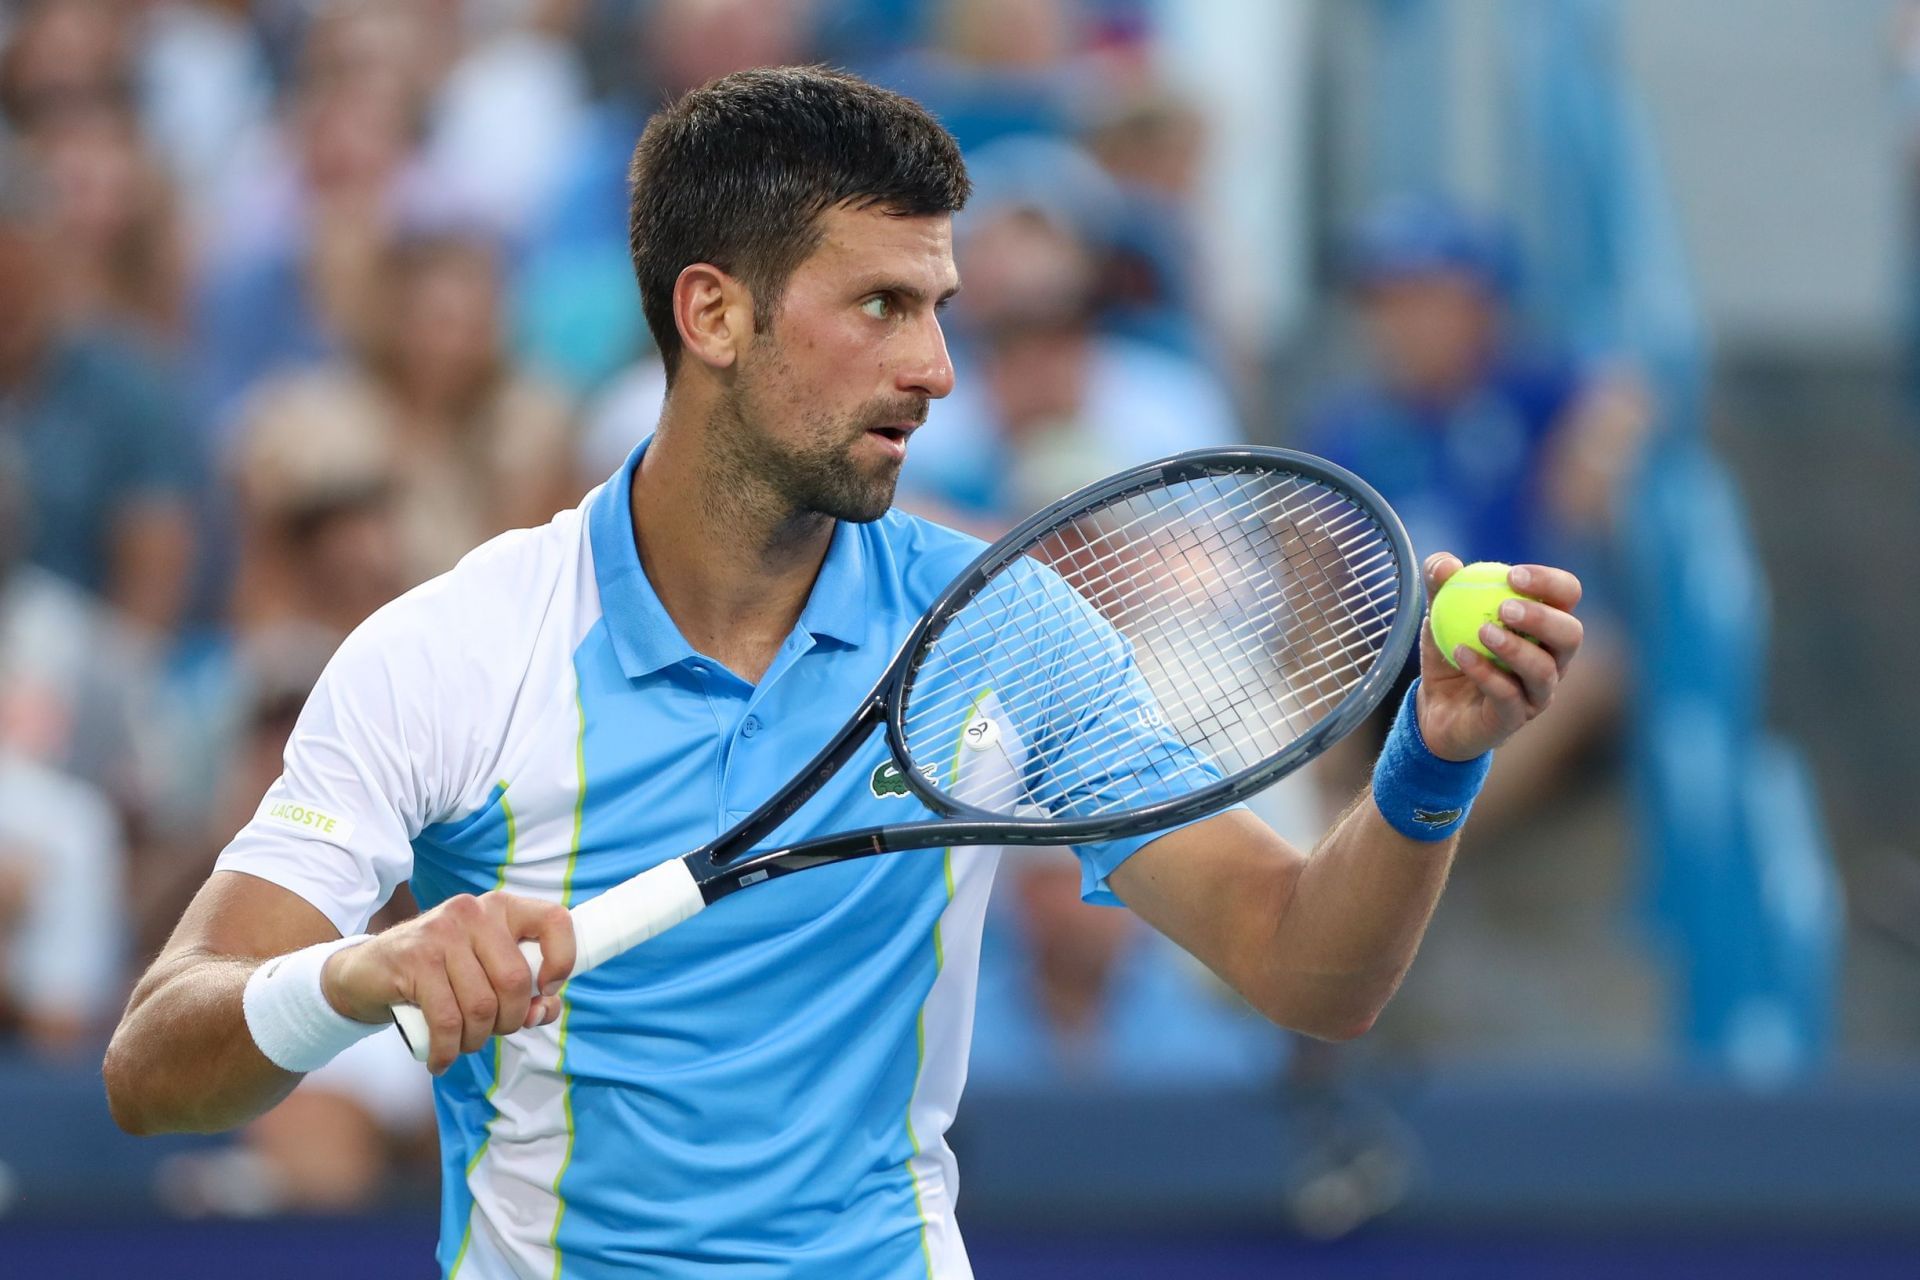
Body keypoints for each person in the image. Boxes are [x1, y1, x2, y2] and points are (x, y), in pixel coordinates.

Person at [105, 69, 1587, 1279]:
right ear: (714, 316)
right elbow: (155, 1064)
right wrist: (359, 975)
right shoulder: (454, 651)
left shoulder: (1000, 631)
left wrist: (1432, 763)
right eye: (881, 305)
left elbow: (1302, 966)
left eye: (940, 307)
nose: (940, 367)